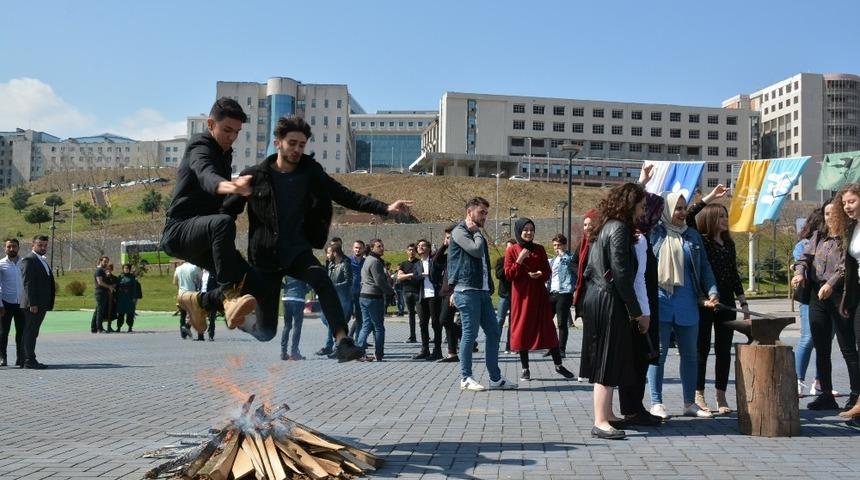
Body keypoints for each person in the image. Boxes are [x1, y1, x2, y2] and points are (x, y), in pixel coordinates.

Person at [220, 116, 412, 362]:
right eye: (292, 143)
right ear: (277, 142)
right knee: (266, 332)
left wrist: (385, 208)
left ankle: (343, 341)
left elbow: (343, 194)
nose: (298, 149)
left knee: (321, 279)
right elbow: (226, 213)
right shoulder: (254, 176)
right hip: (265, 257)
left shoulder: (310, 172)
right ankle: (235, 315)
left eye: (302, 144)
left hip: (297, 251)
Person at [160, 97, 257, 335]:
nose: (231, 137)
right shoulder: (199, 146)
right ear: (211, 123)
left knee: (250, 278)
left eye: (236, 132)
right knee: (222, 223)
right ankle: (230, 296)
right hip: (179, 230)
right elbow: (206, 175)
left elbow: (223, 206)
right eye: (226, 130)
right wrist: (230, 186)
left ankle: (198, 302)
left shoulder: (225, 155)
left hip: (203, 236)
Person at [579, 184, 646, 439]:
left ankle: (607, 414)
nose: (642, 210)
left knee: (608, 356)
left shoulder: (607, 226)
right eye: (640, 205)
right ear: (630, 204)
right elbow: (621, 273)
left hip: (597, 296)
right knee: (607, 358)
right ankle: (600, 421)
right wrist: (635, 310)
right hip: (608, 299)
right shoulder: (618, 228)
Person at [647, 192, 719, 419]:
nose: (681, 212)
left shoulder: (693, 236)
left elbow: (705, 267)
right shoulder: (655, 233)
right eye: (677, 208)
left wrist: (712, 291)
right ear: (667, 210)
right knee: (658, 354)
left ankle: (690, 403)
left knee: (690, 355)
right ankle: (656, 403)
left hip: (688, 302)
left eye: (684, 207)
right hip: (660, 301)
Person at [688, 185, 749, 415]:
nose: (725, 219)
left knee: (724, 350)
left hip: (726, 303)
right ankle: (698, 394)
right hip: (705, 303)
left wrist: (742, 301)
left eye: (726, 216)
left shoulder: (729, 244)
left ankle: (721, 396)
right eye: (721, 216)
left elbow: (733, 273)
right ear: (711, 218)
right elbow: (692, 215)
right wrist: (711, 197)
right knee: (701, 349)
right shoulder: (700, 240)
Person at [795, 199, 860, 412]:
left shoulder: (848, 237)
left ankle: (855, 396)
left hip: (840, 294)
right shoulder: (818, 236)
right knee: (821, 347)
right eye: (826, 213)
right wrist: (799, 273)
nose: (829, 217)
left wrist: (832, 284)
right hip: (817, 295)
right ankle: (826, 395)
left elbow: (845, 267)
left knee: (847, 347)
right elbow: (804, 258)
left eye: (833, 213)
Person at [449, 197, 518, 391]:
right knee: (470, 334)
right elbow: (476, 251)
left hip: (482, 291)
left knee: (494, 332)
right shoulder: (459, 231)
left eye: (486, 213)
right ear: (469, 212)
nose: (485, 216)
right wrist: (478, 233)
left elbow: (485, 262)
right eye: (482, 212)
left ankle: (495, 378)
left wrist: (489, 287)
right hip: (467, 289)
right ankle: (465, 377)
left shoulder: (475, 232)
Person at [505, 218, 575, 381]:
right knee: (522, 329)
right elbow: (509, 275)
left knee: (548, 328)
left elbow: (547, 270)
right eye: (526, 229)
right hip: (521, 296)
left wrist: (540, 274)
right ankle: (525, 368)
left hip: (539, 294)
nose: (529, 232)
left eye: (531, 229)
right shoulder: (513, 250)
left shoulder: (540, 249)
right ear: (519, 231)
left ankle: (558, 365)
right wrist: (520, 259)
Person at [793, 208, 827, 396]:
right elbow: (799, 263)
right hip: (809, 298)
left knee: (825, 340)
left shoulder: (833, 242)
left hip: (828, 298)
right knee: (808, 338)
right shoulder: (804, 244)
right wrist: (799, 273)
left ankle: (820, 382)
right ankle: (797, 379)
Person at [837, 184, 860, 424]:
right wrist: (847, 299)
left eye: (852, 201)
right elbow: (850, 267)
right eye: (844, 203)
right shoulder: (853, 227)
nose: (847, 207)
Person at [19, 235, 55, 369]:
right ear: (32, 245)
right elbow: (28, 283)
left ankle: (25, 359)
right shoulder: (29, 260)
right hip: (33, 305)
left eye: (45, 245)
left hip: (40, 304)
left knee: (32, 332)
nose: (43, 247)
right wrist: (33, 303)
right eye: (40, 245)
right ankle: (29, 360)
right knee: (31, 332)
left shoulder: (41, 260)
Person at [357, 239, 394, 361]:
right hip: (373, 297)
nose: (382, 248)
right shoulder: (375, 262)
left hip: (364, 296)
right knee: (378, 327)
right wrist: (391, 292)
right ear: (372, 248)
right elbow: (380, 282)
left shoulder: (367, 259)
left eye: (382, 246)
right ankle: (379, 354)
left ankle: (359, 352)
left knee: (366, 325)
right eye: (379, 246)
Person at [413, 238, 443, 360]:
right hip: (422, 297)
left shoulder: (434, 261)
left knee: (436, 323)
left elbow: (439, 276)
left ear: (429, 248)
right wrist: (421, 276)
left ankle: (437, 350)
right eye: (419, 245)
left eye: (424, 245)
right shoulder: (416, 265)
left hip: (434, 296)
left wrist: (429, 274)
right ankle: (425, 349)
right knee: (422, 323)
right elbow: (414, 280)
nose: (421, 247)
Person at [435, 226, 461, 363]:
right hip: (445, 291)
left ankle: (464, 336)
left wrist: (455, 291)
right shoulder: (449, 255)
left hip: (454, 292)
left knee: (444, 320)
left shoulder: (460, 254)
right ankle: (452, 353)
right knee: (446, 321)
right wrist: (443, 246)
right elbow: (436, 261)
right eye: (446, 238)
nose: (447, 240)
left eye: (450, 238)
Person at [548, 233, 576, 358]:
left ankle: (561, 349)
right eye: (554, 245)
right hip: (552, 293)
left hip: (564, 292)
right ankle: (552, 347)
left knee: (561, 323)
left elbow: (575, 267)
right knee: (547, 322)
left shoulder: (570, 257)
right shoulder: (553, 260)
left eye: (559, 245)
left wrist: (563, 255)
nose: (556, 247)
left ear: (565, 245)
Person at [0, 238, 24, 367]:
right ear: (5, 248)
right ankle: (2, 358)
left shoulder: (24, 263)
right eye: (9, 247)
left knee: (21, 332)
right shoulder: (1, 264)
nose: (11, 249)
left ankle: (20, 358)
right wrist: (0, 304)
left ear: (18, 247)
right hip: (5, 304)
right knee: (3, 333)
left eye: (14, 246)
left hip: (21, 303)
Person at [396, 244, 421, 343]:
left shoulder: (419, 263)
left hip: (418, 291)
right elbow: (399, 277)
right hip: (406, 292)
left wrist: (405, 276)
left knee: (421, 315)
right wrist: (411, 275)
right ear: (406, 251)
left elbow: (420, 276)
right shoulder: (403, 264)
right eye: (410, 250)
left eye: (413, 250)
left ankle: (425, 336)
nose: (411, 252)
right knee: (411, 315)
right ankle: (412, 336)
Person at [281, 276, 310, 361]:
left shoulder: (287, 267)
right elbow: (311, 282)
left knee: (287, 326)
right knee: (297, 326)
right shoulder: (302, 267)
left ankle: (283, 352)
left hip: (286, 298)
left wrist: (285, 286)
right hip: (298, 299)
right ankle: (294, 353)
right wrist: (305, 290)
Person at [495, 239, 516, 354]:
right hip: (504, 295)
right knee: (499, 320)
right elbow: (498, 275)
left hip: (515, 296)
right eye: (508, 248)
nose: (509, 250)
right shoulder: (500, 260)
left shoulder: (519, 261)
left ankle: (510, 346)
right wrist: (507, 266)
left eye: (512, 248)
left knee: (513, 322)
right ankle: (495, 345)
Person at [173, 261, 201, 339]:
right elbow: (200, 280)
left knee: (183, 314)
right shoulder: (195, 267)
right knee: (195, 313)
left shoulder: (178, 268)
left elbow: (174, 282)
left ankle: (183, 333)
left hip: (181, 293)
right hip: (191, 294)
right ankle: (187, 327)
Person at [347, 241, 366, 341]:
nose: (357, 250)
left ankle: (358, 341)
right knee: (345, 318)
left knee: (360, 318)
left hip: (361, 293)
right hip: (348, 293)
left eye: (360, 248)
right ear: (353, 248)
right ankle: (339, 343)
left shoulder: (366, 262)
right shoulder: (348, 261)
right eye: (356, 248)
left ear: (363, 249)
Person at [115, 264, 141, 333]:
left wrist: (134, 298)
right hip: (121, 298)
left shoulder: (132, 277)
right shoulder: (120, 277)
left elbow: (134, 289)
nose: (125, 269)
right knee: (121, 313)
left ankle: (130, 327)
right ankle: (119, 327)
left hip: (129, 298)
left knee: (130, 313)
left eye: (127, 268)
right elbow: (117, 287)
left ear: (129, 269)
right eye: (124, 268)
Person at [90, 256, 113, 333]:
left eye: (107, 261)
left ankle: (93, 328)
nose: (106, 263)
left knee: (97, 310)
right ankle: (100, 328)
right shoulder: (99, 270)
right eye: (104, 261)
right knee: (100, 310)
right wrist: (109, 286)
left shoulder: (103, 270)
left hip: (103, 292)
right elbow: (100, 282)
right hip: (100, 293)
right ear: (100, 261)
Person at [198, 269, 217, 341]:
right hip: (201, 295)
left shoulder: (213, 273)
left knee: (212, 317)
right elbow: (198, 284)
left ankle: (211, 334)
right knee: (200, 316)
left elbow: (217, 285)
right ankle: (200, 335)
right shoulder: (200, 274)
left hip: (211, 296)